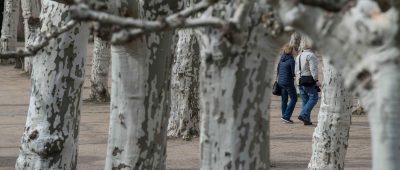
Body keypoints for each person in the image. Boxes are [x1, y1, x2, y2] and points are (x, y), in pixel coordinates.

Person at [295, 40, 321, 125]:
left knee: (305, 100)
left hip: (299, 80)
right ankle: (303, 114)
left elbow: (296, 70)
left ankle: (306, 119)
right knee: (314, 98)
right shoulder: (311, 55)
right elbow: (313, 69)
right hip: (308, 79)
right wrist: (316, 80)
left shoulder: (299, 56)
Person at [277, 44, 297, 124]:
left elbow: (278, 71)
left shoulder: (281, 59)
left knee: (284, 100)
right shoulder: (291, 60)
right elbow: (293, 73)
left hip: (280, 82)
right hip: (288, 82)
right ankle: (286, 116)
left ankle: (284, 116)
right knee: (294, 98)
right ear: (291, 51)